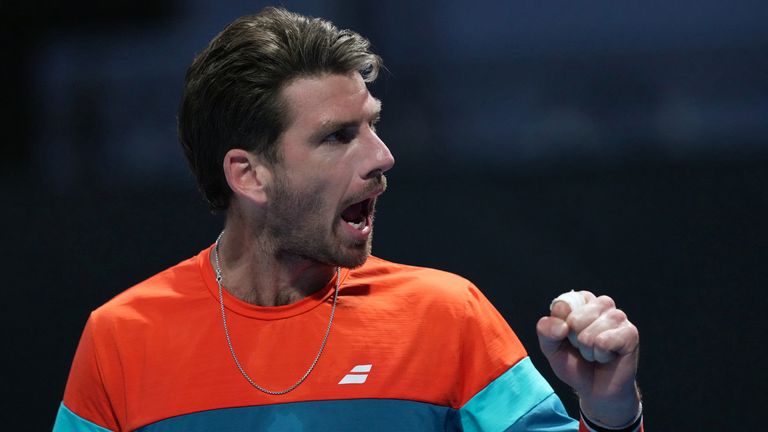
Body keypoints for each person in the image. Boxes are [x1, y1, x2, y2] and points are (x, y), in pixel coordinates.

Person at [54, 7, 642, 432]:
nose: (382, 157)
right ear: (248, 175)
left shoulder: (448, 317)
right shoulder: (120, 340)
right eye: (338, 136)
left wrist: (609, 412)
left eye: (373, 124)